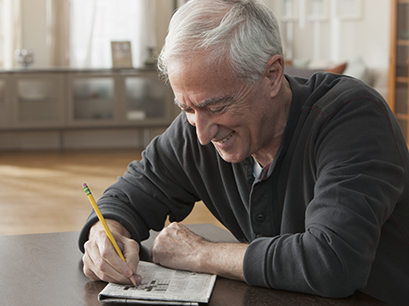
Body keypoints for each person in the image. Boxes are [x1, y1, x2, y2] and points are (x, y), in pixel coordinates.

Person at [78, 1, 409, 305]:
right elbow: (131, 194)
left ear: (272, 75)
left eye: (217, 106)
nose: (203, 134)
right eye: (187, 109)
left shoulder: (352, 117)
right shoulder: (199, 126)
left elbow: (332, 263)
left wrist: (200, 254)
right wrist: (106, 234)